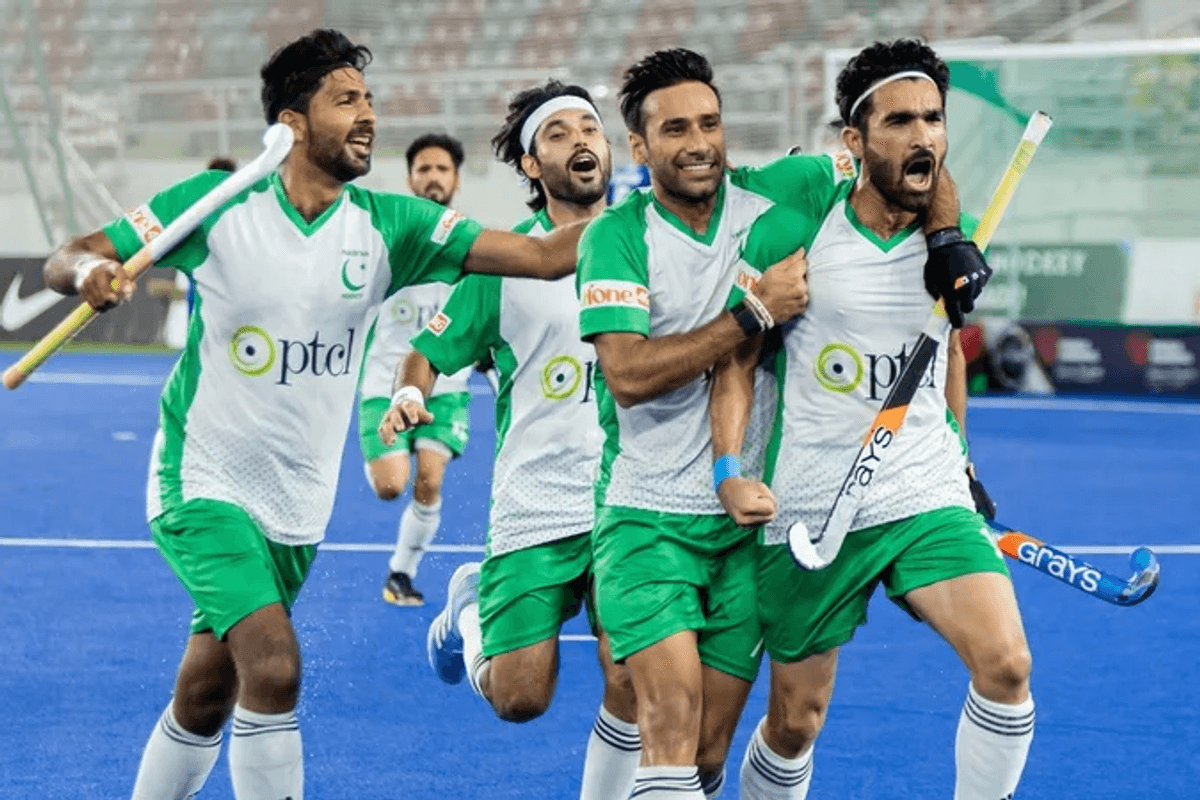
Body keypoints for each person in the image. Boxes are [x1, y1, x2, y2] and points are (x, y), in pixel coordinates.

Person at [42, 28, 586, 800]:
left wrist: (665, 213)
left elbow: (541, 255)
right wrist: (93, 270)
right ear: (292, 123)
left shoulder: (390, 224)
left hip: (296, 503)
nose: (368, 116)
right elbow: (71, 254)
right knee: (274, 666)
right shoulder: (214, 203)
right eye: (347, 102)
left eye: (368, 101)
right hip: (202, 480)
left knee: (206, 692)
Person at [710, 39, 1030, 800]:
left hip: (921, 486)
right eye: (899, 121)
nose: (922, 135)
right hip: (812, 502)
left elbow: (944, 346)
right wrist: (730, 469)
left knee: (1006, 665)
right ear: (852, 140)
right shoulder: (799, 224)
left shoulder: (953, 237)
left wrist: (964, 459)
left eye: (933, 119)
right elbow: (739, 362)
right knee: (795, 722)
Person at [570, 48, 837, 800]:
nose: (698, 143)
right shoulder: (616, 237)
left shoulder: (786, 194)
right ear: (640, 146)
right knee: (669, 720)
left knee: (706, 756)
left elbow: (893, 166)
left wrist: (948, 239)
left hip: (752, 526)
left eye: (711, 124)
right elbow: (628, 374)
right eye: (676, 128)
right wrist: (751, 313)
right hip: (647, 519)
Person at [385, 79, 642, 800]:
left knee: (634, 675)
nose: (580, 141)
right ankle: (468, 607)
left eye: (589, 127)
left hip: (632, 500)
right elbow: (429, 353)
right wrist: (410, 393)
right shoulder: (507, 262)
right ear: (532, 166)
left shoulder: (655, 244)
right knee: (519, 698)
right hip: (536, 501)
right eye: (556, 134)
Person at [359, 132, 475, 606]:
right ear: (409, 179)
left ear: (456, 180)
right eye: (424, 169)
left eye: (441, 169)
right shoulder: (385, 239)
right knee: (391, 486)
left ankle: (400, 575)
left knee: (430, 479)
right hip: (382, 383)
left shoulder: (472, 245)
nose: (433, 177)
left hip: (445, 387)